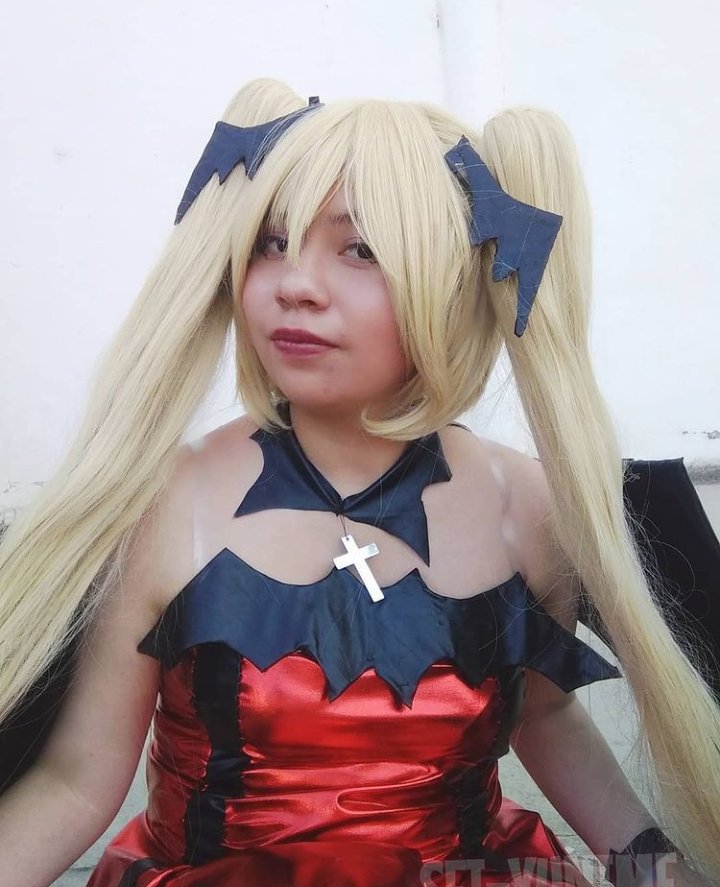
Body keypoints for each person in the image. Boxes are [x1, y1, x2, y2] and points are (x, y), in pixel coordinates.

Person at [0, 77, 717, 887]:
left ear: (451, 278)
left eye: (360, 249)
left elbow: (546, 715)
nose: (294, 283)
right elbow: (75, 781)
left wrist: (654, 866)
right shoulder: (166, 503)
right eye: (271, 241)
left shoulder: (529, 509)